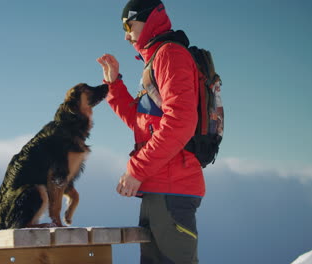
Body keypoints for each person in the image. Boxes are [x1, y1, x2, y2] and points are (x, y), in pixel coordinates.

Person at [97, 0, 205, 263]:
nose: (126, 34)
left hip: (173, 188)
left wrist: (137, 169)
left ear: (147, 19)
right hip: (160, 187)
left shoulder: (170, 55)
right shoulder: (157, 59)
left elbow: (181, 121)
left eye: (128, 24)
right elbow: (142, 123)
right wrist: (114, 85)